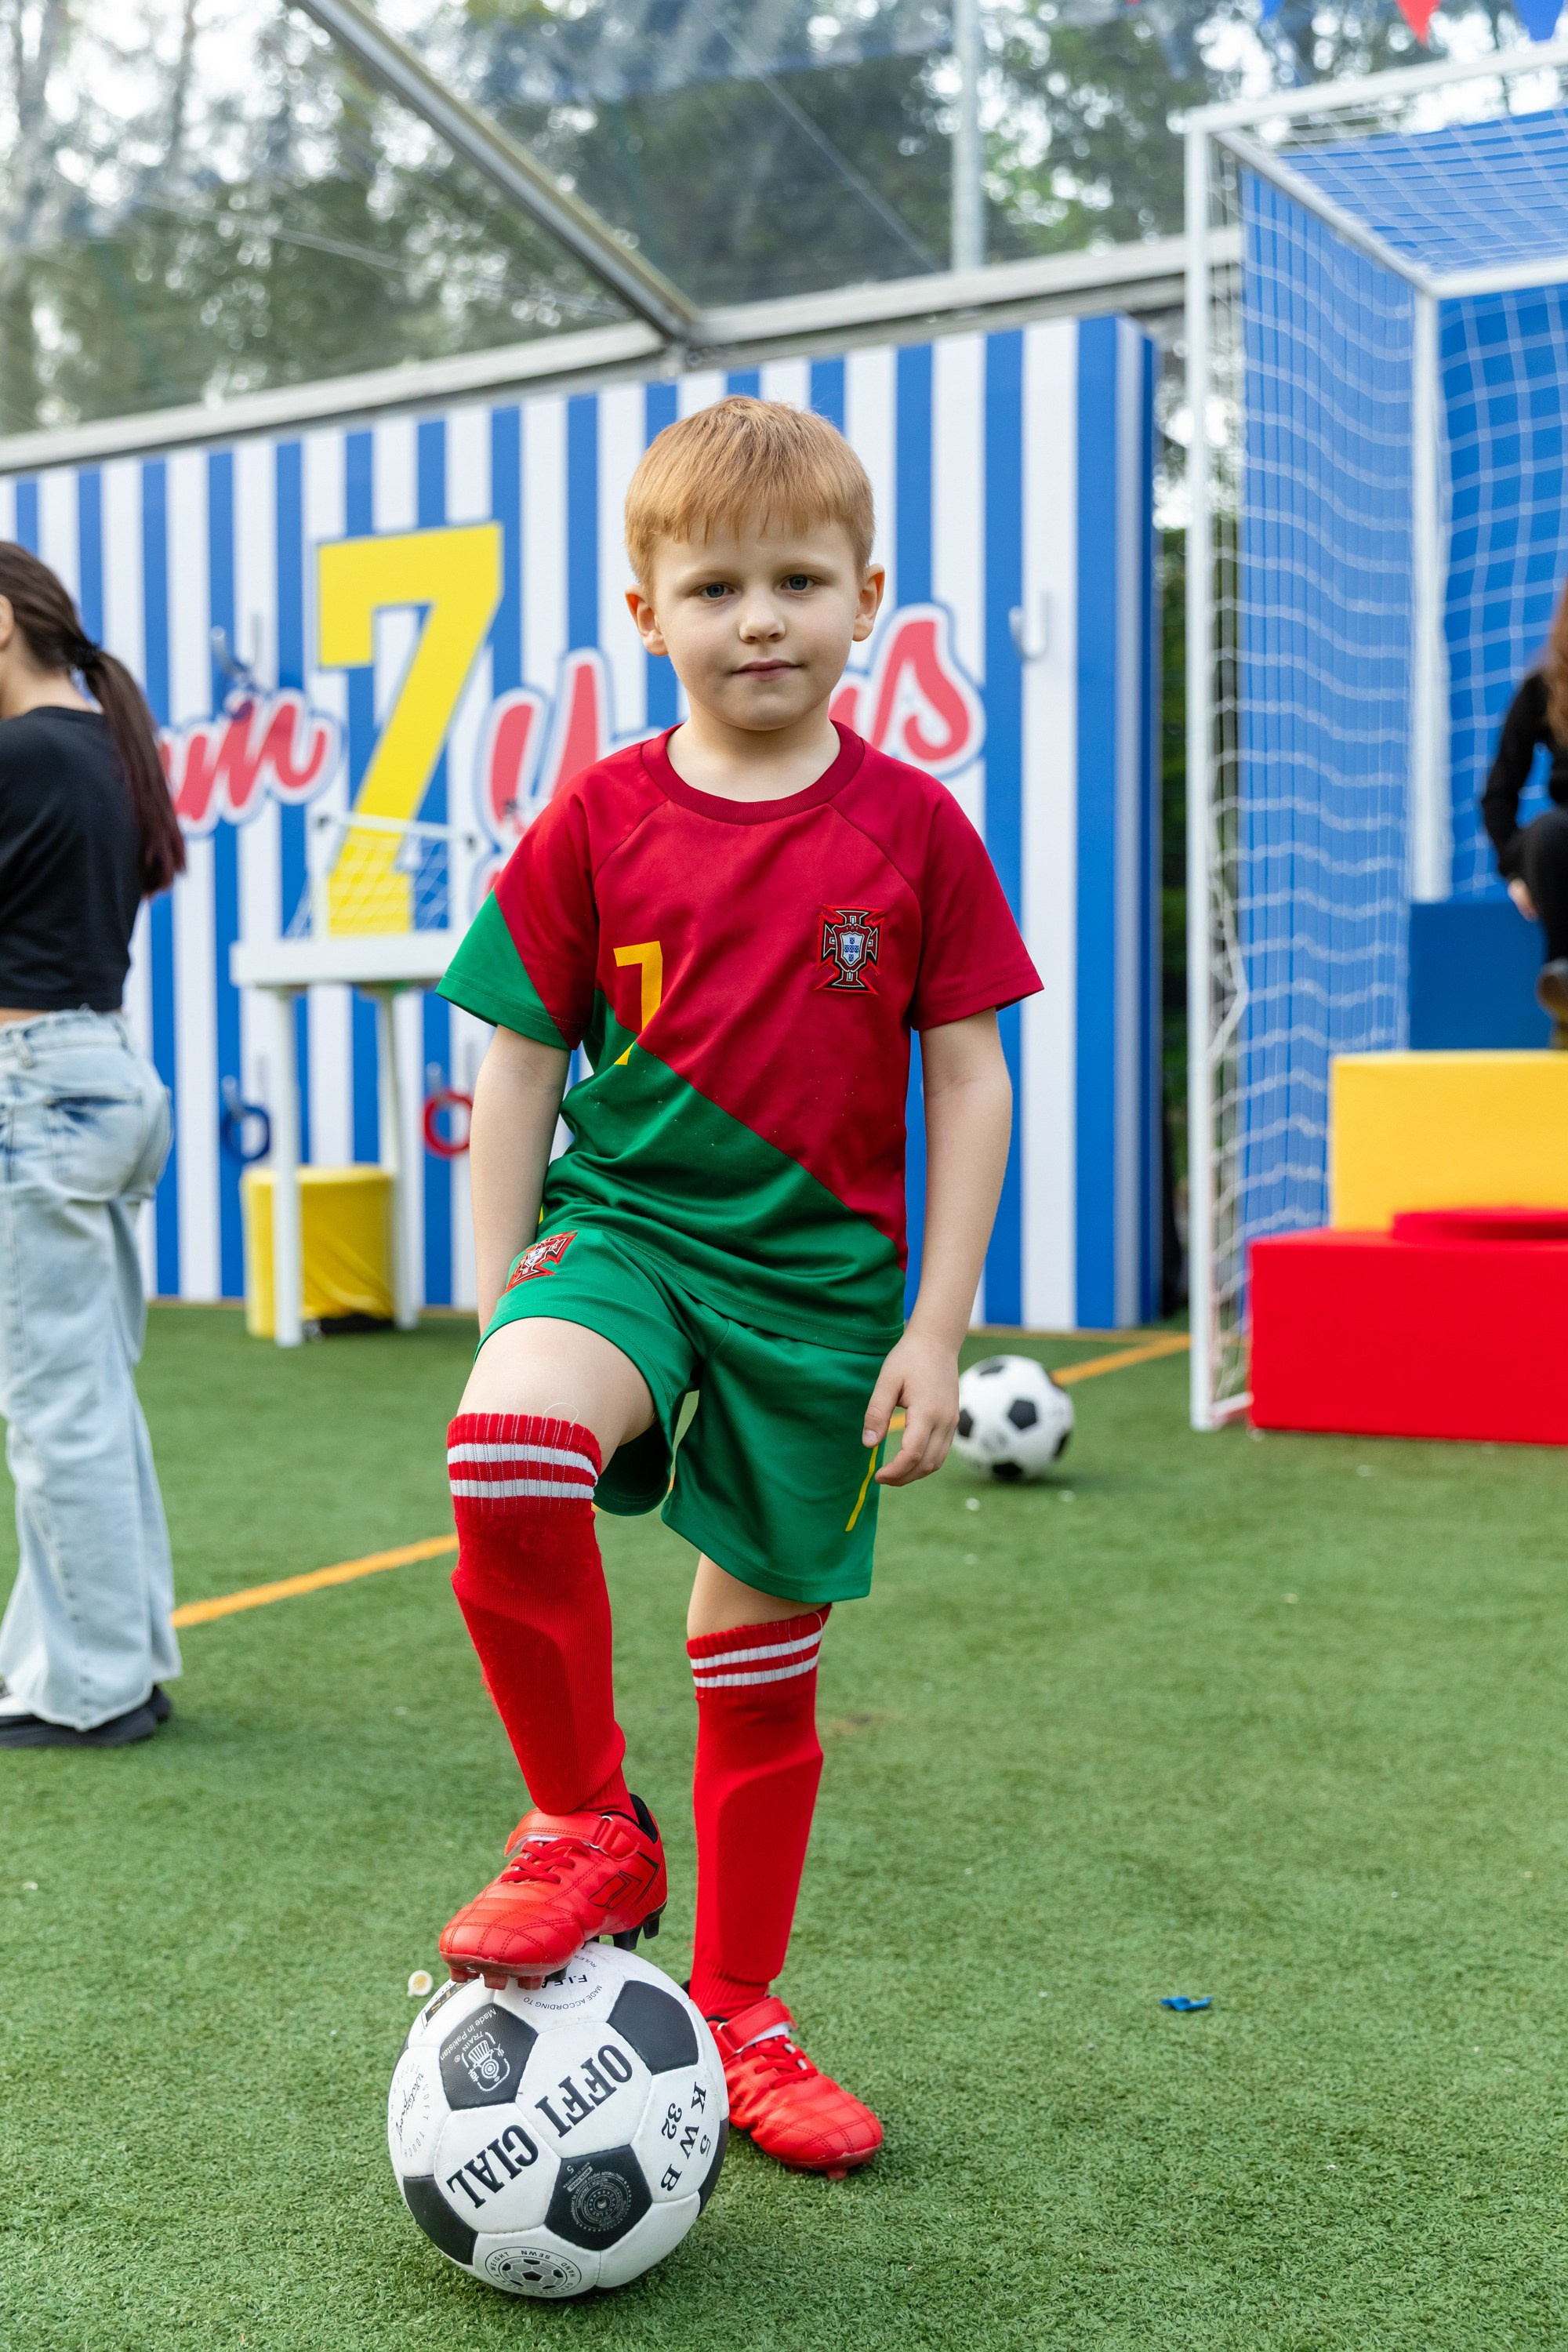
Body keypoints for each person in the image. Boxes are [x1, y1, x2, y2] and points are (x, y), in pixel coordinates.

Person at [434, 396, 1040, 2176]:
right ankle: (580, 1824)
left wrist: (933, 1329)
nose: (756, 616)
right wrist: (499, 1296)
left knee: (754, 1667)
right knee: (505, 1446)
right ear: (646, 611)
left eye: (795, 579)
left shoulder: (914, 832)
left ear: (865, 596)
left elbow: (970, 1079)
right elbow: (520, 1054)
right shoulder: (596, 820)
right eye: (714, 585)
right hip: (624, 1229)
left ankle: (740, 2011)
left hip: (824, 1295)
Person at [0, 544, 184, 1748]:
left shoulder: (21, 752)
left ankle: (92, 1690)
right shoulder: (101, 745)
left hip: (36, 1092)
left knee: (56, 1403)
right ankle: (105, 1664)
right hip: (102, 1076)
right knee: (87, 1399)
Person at [1481, 579, 1568, 1047]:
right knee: (1548, 834)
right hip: (1564, 838)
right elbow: (1499, 794)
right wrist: (1516, 868)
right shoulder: (1543, 688)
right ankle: (1566, 992)